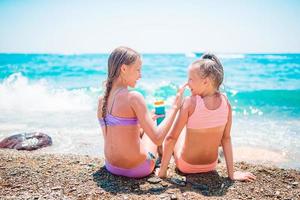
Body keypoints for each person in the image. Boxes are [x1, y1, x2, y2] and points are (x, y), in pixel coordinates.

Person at [157, 53, 256, 182]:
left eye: (191, 79)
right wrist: (231, 175)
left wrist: (162, 173)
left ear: (205, 81)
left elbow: (171, 139)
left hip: (187, 166)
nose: (187, 83)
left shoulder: (190, 102)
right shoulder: (226, 102)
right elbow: (226, 139)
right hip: (211, 166)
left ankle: (160, 154)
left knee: (175, 134)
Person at [97, 46, 186, 178]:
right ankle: (163, 155)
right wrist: (175, 107)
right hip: (137, 168)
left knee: (147, 125)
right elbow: (157, 138)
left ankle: (148, 127)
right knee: (155, 128)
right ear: (123, 68)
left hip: (112, 166)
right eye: (138, 70)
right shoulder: (134, 97)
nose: (140, 75)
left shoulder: (102, 100)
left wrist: (141, 122)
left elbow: (112, 136)